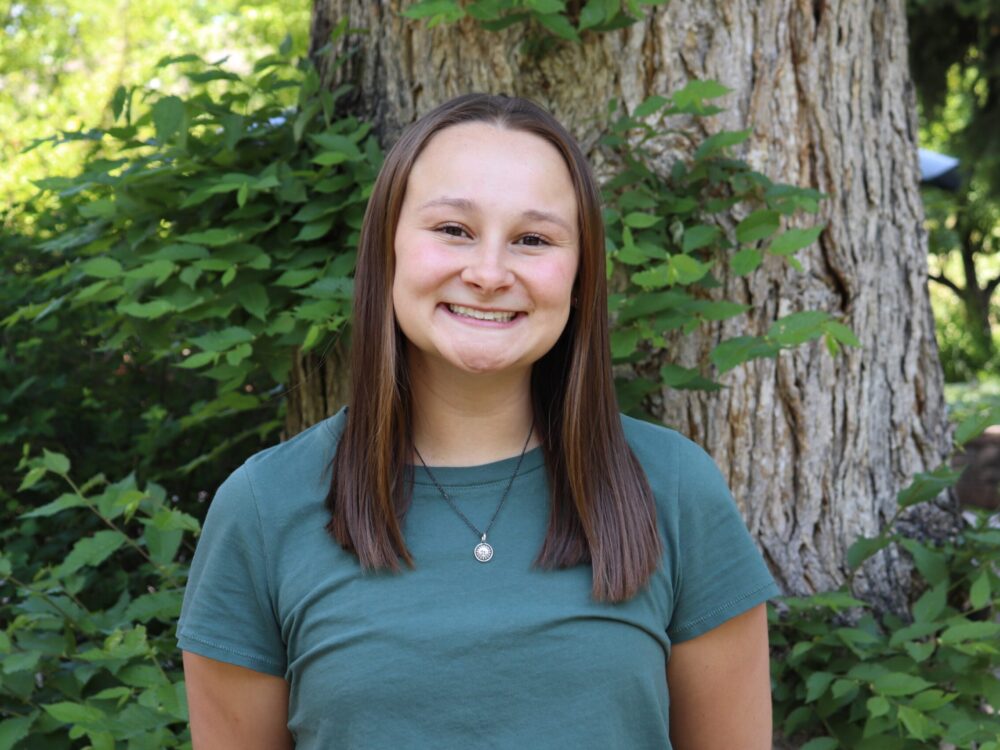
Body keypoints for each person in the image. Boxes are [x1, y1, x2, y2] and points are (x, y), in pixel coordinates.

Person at [178, 93, 780, 749]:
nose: (489, 273)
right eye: (454, 230)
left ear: (579, 277)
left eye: (532, 239)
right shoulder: (264, 508)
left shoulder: (674, 488)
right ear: (388, 249)